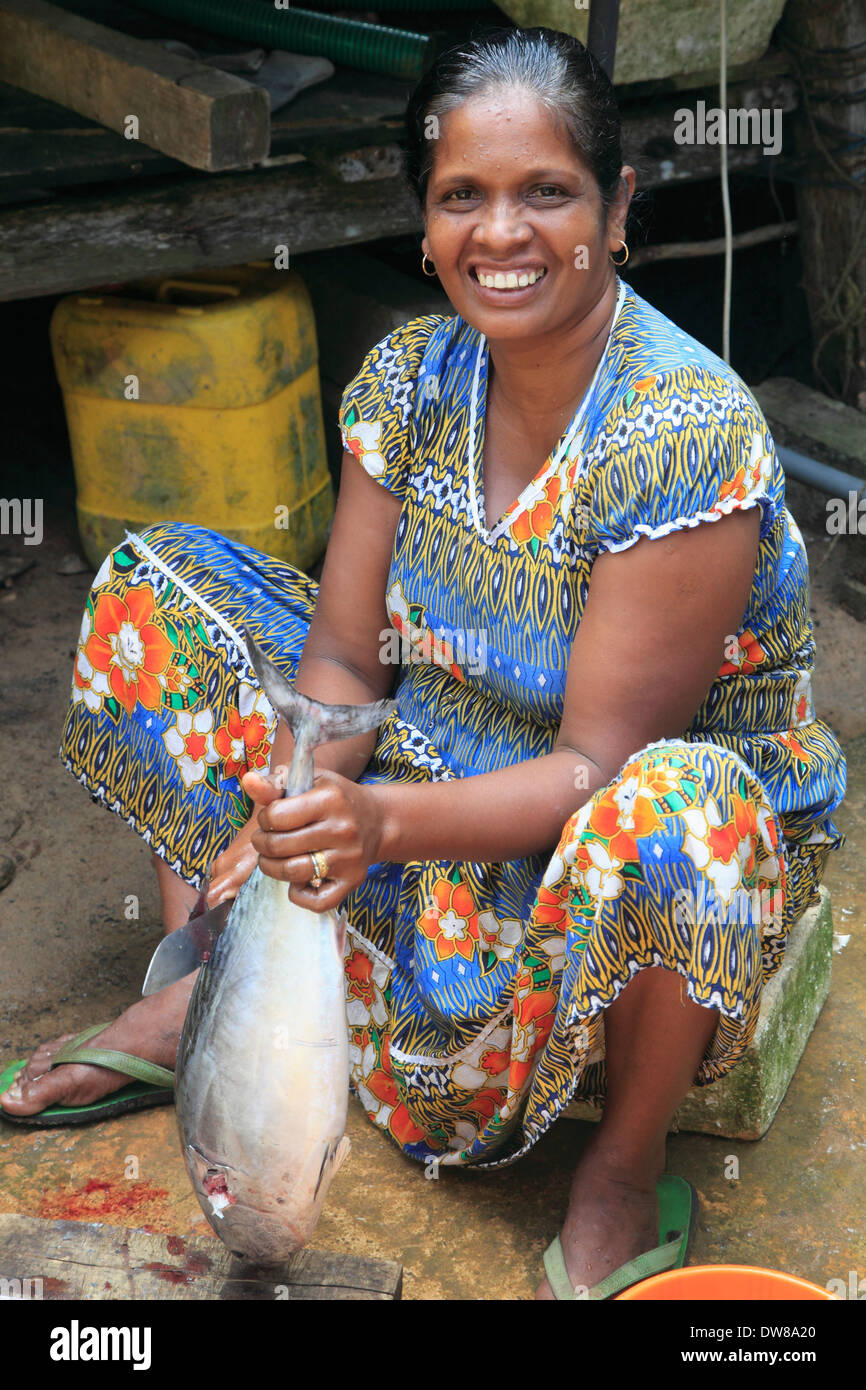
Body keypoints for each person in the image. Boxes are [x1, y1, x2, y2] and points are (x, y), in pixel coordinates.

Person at [0, 26, 845, 1299]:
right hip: (430, 757)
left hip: (612, 824)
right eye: (463, 196)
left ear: (614, 208)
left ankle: (621, 1162)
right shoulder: (404, 380)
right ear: (426, 220)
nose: (500, 232)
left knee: (686, 814)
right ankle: (212, 1000)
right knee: (155, 591)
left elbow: (591, 764)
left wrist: (372, 819)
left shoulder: (684, 432)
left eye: (543, 191)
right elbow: (342, 657)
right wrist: (294, 807)